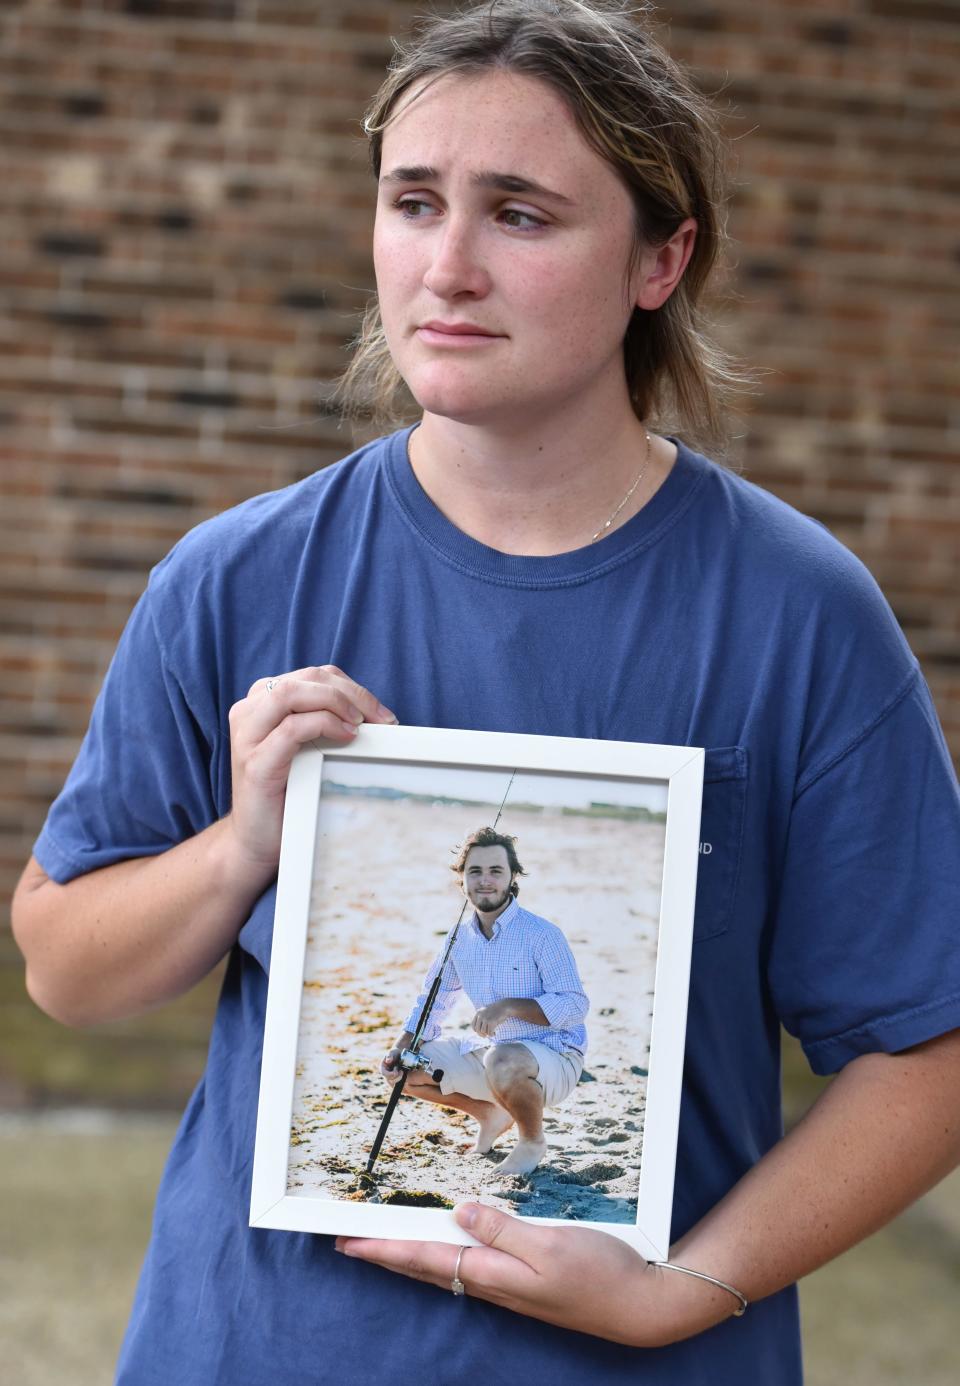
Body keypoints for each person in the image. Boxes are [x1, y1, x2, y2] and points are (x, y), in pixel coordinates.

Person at [10, 2, 960, 1382]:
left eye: (521, 213)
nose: (446, 266)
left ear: (661, 257)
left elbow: (926, 1056)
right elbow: (62, 967)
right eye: (413, 201)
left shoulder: (799, 616)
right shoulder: (235, 579)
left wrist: (677, 1292)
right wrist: (246, 847)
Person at [380, 826, 589, 1175]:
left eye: (496, 871)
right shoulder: (458, 938)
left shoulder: (542, 934)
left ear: (512, 877)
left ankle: (531, 1141)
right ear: (461, 879)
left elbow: (574, 1005)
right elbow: (434, 1000)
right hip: (494, 1055)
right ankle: (490, 1115)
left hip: (555, 1058)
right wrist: (400, 1047)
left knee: (503, 1059)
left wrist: (508, 1007)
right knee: (404, 1071)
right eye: (475, 871)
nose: (485, 880)